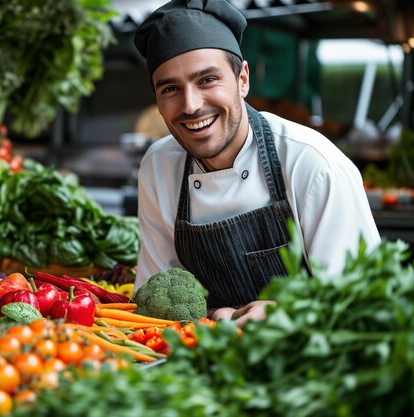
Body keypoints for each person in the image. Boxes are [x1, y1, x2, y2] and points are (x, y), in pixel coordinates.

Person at [132, 0, 381, 325]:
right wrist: (213, 319)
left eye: (207, 80)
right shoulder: (158, 167)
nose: (191, 105)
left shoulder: (313, 164)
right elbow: (154, 310)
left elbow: (367, 304)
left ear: (243, 79)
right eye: (170, 89)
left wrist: (286, 314)